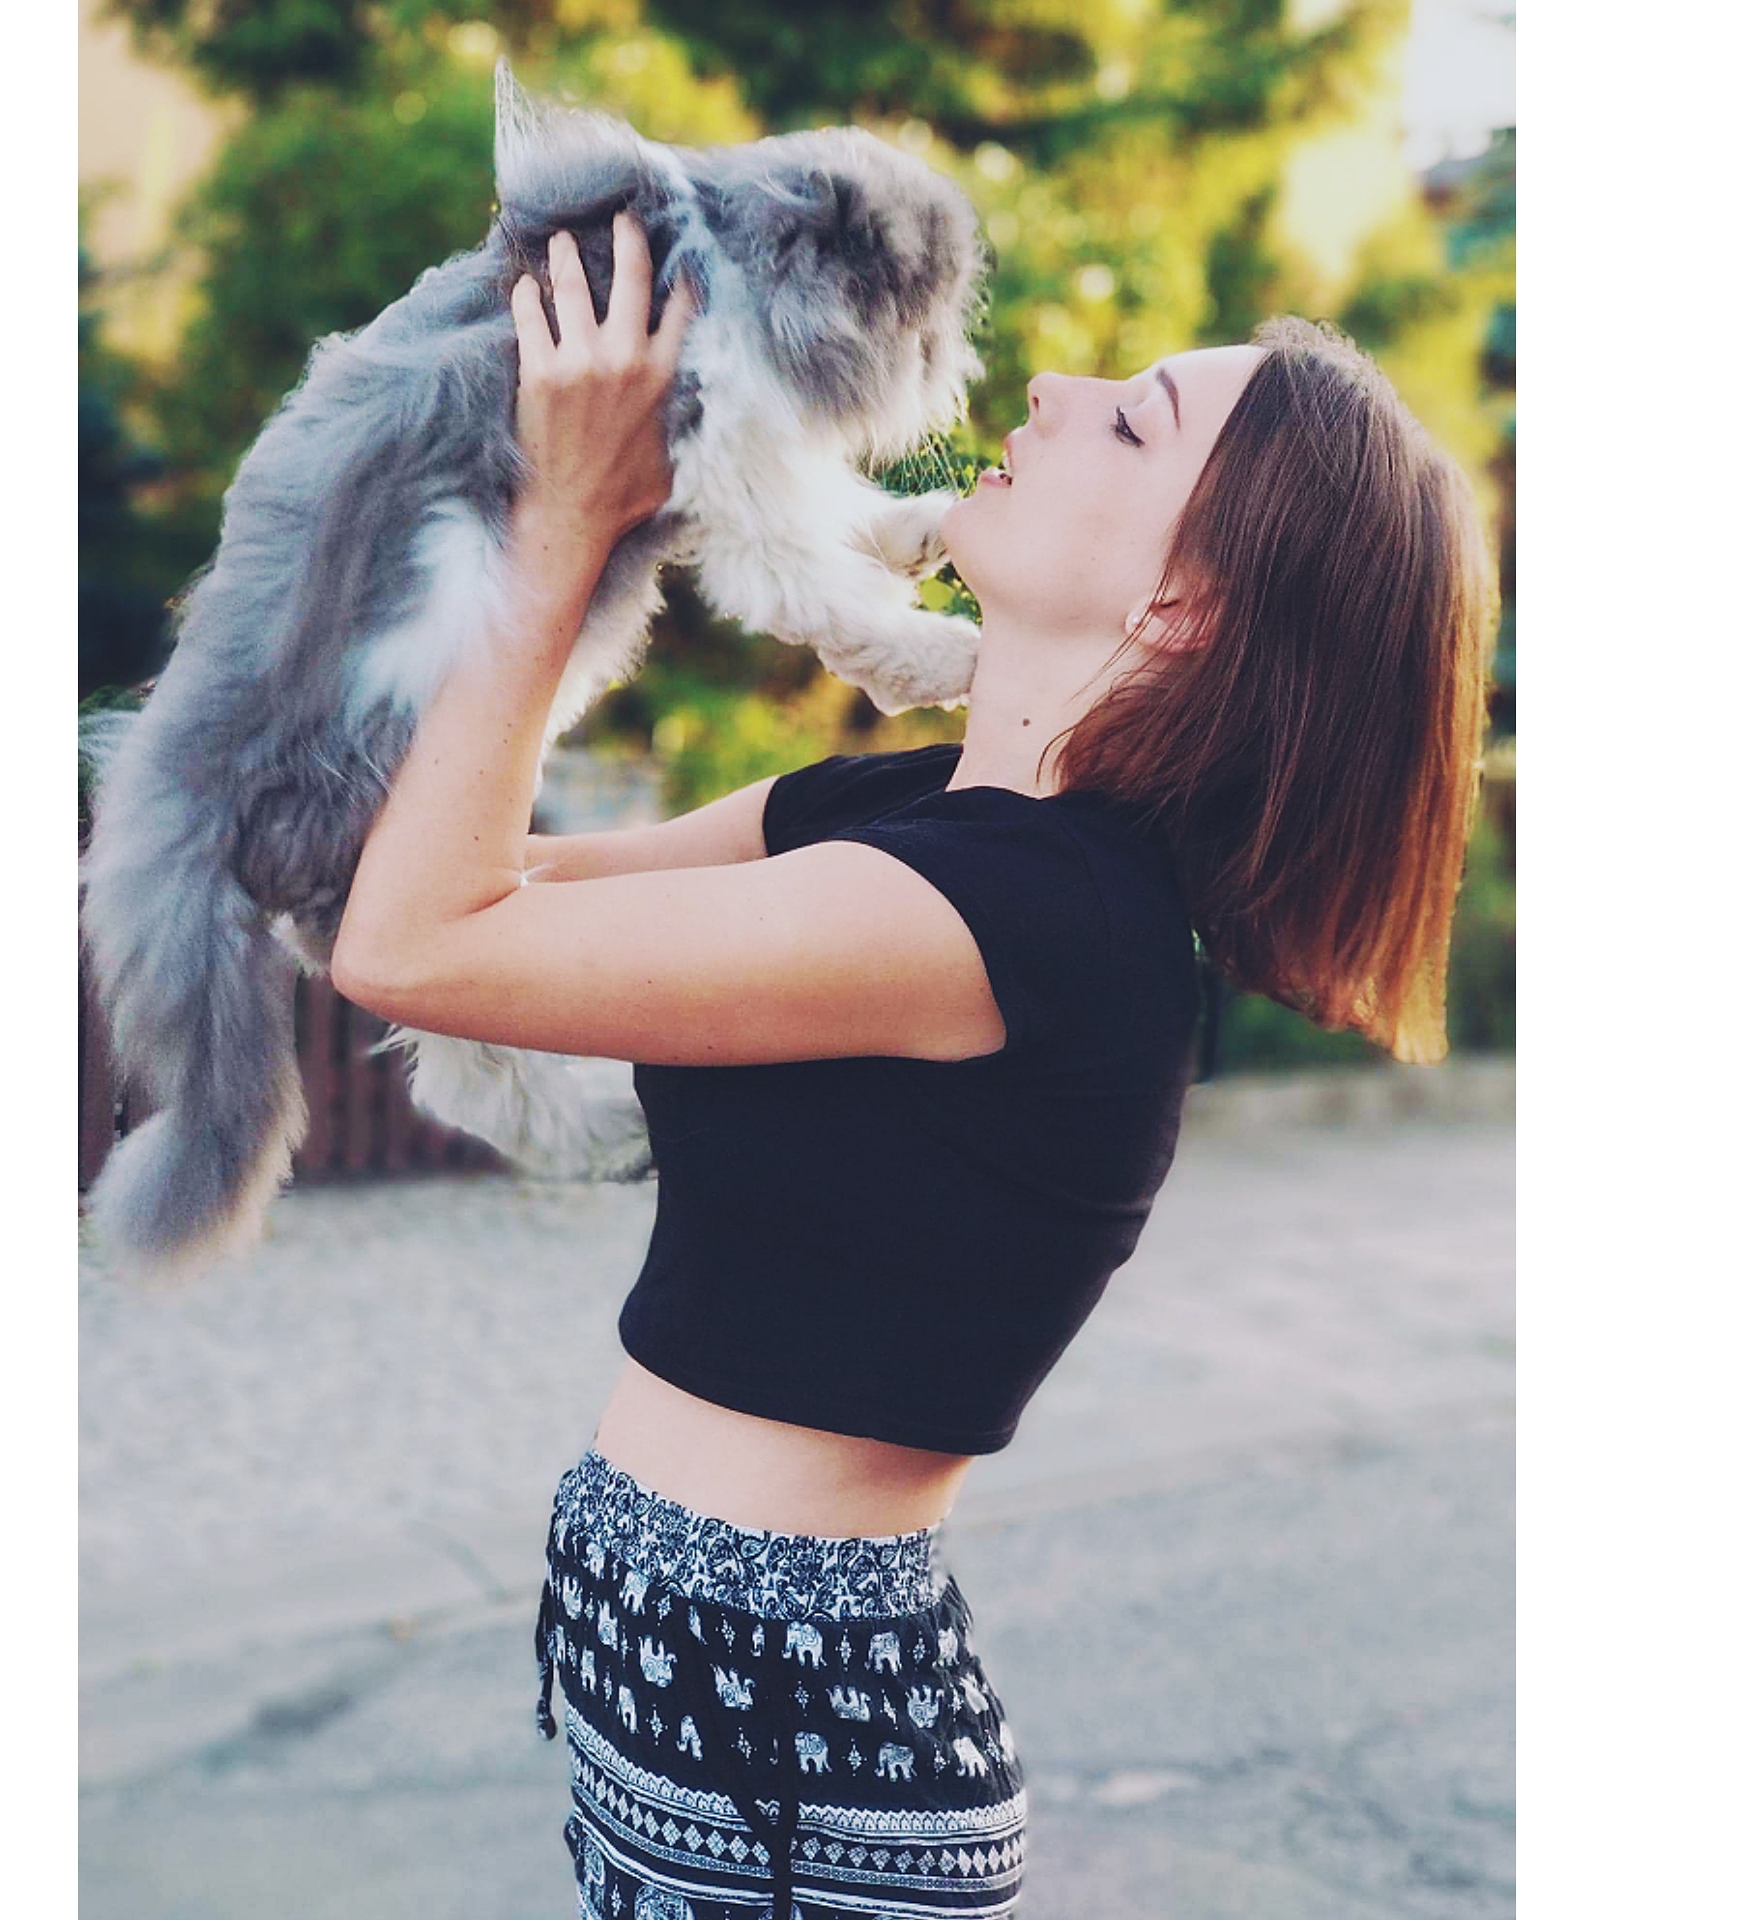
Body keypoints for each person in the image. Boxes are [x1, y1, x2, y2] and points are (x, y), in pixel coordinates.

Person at [332, 211, 1493, 1919]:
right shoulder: (898, 815)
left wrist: (562, 525)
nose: (1058, 387)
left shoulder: (1026, 921)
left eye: (1133, 422)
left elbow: (419, 947)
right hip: (708, 1737)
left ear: (1182, 605)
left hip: (799, 1793)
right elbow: (441, 871)